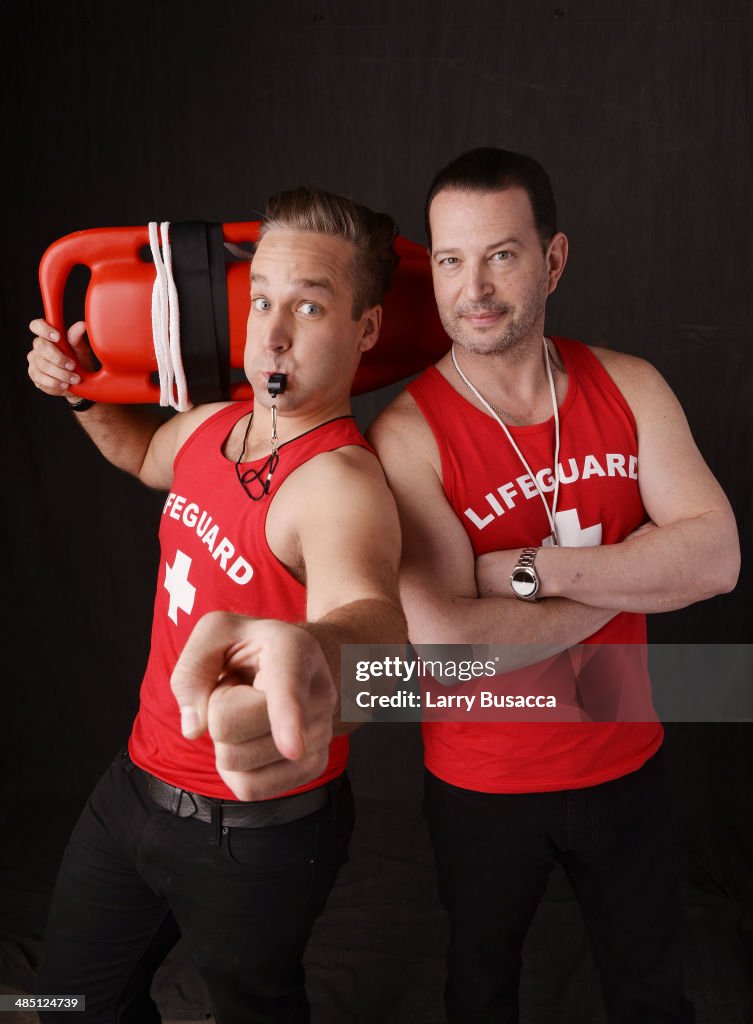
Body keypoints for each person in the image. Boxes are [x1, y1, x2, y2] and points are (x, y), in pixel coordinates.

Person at [366, 148, 740, 1023]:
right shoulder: (408, 434)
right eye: (451, 261)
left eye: (501, 254)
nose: (474, 288)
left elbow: (717, 559)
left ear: (552, 259)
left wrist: (537, 572)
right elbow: (445, 643)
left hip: (627, 763)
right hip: (481, 781)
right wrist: (645, 570)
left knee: (651, 992)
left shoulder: (630, 383)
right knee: (481, 993)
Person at [26, 187, 407, 1024]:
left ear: (366, 330)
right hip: (133, 785)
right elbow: (140, 453)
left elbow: (376, 630)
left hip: (254, 832)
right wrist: (81, 392)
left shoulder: (340, 484)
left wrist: (316, 654)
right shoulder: (216, 425)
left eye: (308, 306)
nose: (271, 332)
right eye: (260, 298)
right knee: (62, 999)